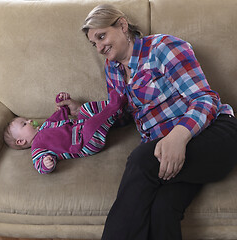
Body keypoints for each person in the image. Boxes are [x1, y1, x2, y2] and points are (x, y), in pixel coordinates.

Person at [56, 4, 237, 240]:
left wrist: (178, 137)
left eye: (102, 36)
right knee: (162, 209)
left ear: (122, 25)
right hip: (167, 152)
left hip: (214, 135)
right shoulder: (112, 70)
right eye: (94, 43)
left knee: (141, 159)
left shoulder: (163, 48)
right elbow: (121, 114)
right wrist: (82, 111)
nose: (99, 47)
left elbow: (205, 99)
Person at [4, 90, 127, 174]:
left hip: (80, 126)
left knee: (85, 108)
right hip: (84, 144)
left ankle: (116, 107)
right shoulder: (38, 146)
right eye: (24, 124)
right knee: (91, 126)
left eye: (26, 120)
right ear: (21, 141)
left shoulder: (46, 125)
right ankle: (112, 109)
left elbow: (59, 115)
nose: (30, 120)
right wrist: (46, 164)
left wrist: (62, 102)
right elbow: (39, 164)